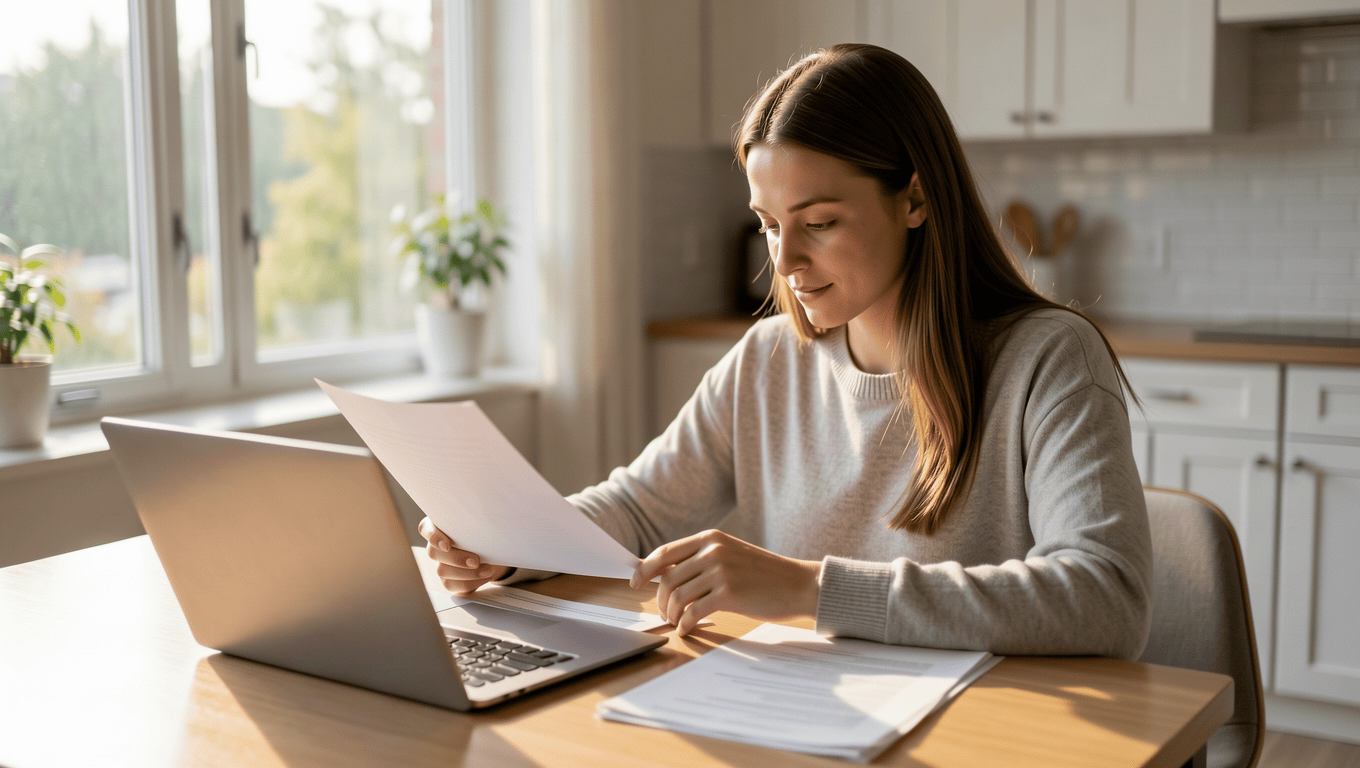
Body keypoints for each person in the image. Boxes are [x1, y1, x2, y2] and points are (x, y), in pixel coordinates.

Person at [420, 43, 1152, 659]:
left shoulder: (1048, 358)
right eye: (769, 224)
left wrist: (807, 590)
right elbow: (638, 510)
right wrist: (511, 543)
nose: (787, 259)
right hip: (809, 718)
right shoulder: (768, 360)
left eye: (821, 221)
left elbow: (1106, 596)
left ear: (917, 201)